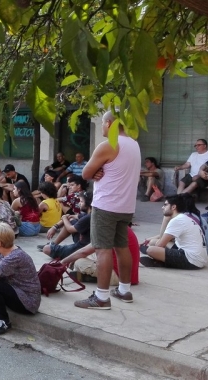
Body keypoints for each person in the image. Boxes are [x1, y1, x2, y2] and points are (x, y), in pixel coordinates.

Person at [75, 111, 140, 310]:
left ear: (110, 123)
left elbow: (85, 173)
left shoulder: (108, 145)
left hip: (106, 205)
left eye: (103, 123)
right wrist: (100, 170)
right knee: (122, 247)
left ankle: (101, 297)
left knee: (102, 249)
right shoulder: (134, 144)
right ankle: (124, 290)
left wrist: (96, 171)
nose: (102, 127)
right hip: (126, 206)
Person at [140, 194, 207, 269]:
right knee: (153, 242)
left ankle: (163, 262)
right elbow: (162, 239)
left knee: (151, 250)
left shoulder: (177, 220)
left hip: (192, 260)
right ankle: (161, 260)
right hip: (199, 258)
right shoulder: (184, 217)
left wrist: (145, 248)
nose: (162, 207)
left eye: (165, 205)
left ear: (173, 207)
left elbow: (160, 244)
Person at [62, 228, 140, 286]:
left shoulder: (109, 230)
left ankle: (96, 278)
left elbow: (84, 251)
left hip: (119, 277)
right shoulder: (121, 227)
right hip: (130, 276)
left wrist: (63, 262)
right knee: (91, 254)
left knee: (79, 262)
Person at [41, 191, 92, 259]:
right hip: (83, 242)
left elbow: (70, 229)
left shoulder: (88, 217)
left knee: (46, 249)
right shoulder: (88, 214)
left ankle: (54, 247)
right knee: (70, 220)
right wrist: (55, 227)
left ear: (88, 204)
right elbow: (71, 217)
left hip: (83, 247)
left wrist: (64, 218)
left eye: (81, 202)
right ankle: (53, 244)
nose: (79, 203)